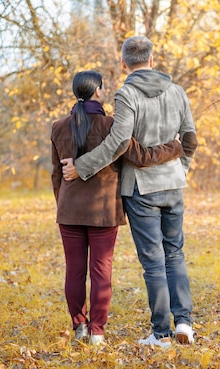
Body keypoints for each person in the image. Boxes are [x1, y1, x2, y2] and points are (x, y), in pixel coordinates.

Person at [62, 36, 198, 348]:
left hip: (141, 188)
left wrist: (81, 166)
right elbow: (189, 138)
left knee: (153, 260)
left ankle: (162, 334)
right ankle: (185, 323)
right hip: (173, 185)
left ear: (124, 63)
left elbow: (119, 142)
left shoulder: (127, 94)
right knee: (175, 254)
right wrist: (181, 169)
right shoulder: (178, 92)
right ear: (152, 59)